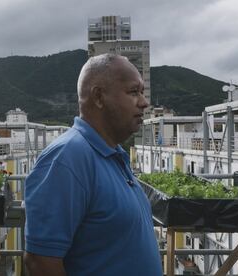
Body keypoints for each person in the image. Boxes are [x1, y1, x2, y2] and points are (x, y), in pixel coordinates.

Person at [24, 54, 163, 276]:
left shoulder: (114, 154)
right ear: (99, 97)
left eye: (142, 92)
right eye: (133, 92)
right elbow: (40, 262)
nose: (144, 102)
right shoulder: (68, 157)